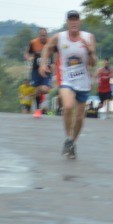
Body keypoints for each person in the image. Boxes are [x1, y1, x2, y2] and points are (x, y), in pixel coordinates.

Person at [45, 10, 97, 158]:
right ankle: (68, 138)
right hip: (66, 78)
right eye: (71, 20)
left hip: (83, 81)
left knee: (80, 117)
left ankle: (73, 143)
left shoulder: (88, 37)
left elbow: (93, 63)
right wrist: (43, 64)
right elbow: (47, 49)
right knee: (68, 106)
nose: (74, 22)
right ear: (67, 22)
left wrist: (91, 52)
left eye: (76, 19)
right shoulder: (59, 37)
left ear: (80, 22)